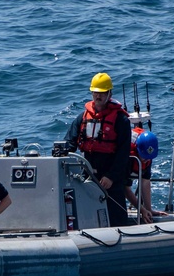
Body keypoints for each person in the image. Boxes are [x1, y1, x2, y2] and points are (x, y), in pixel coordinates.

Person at [65, 72, 132, 227]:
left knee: (116, 217)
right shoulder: (82, 117)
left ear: (109, 93)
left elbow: (123, 154)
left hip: (111, 178)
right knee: (86, 211)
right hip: (88, 175)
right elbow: (69, 142)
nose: (98, 96)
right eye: (95, 92)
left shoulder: (121, 121)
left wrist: (111, 177)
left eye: (102, 93)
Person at [125, 125, 166, 223]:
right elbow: (125, 188)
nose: (146, 160)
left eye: (148, 158)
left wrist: (148, 209)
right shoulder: (128, 155)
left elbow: (145, 181)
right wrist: (142, 210)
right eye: (143, 157)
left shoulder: (148, 155)